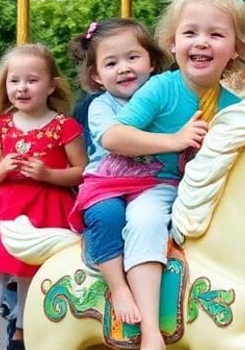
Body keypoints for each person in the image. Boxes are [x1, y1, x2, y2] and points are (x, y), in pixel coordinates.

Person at [101, 0, 245, 350]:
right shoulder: (161, 89)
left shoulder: (236, 107)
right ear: (173, 43)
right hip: (155, 184)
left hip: (206, 200)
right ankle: (149, 345)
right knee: (147, 219)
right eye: (190, 32)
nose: (201, 42)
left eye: (216, 34)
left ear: (236, 49)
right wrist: (173, 140)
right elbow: (112, 137)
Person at [0, 44, 86, 350]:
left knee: (31, 267)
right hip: (8, 205)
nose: (22, 87)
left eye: (32, 80)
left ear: (52, 85)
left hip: (48, 204)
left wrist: (47, 173)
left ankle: (22, 327)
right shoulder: (1, 125)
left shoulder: (63, 126)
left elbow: (82, 172)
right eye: (14, 81)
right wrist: (1, 170)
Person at [67, 18, 171, 324]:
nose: (124, 68)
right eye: (111, 63)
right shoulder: (101, 106)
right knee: (107, 215)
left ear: (151, 61)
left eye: (132, 57)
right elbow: (116, 140)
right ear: (97, 76)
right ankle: (119, 287)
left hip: (154, 183)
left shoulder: (163, 96)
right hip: (107, 183)